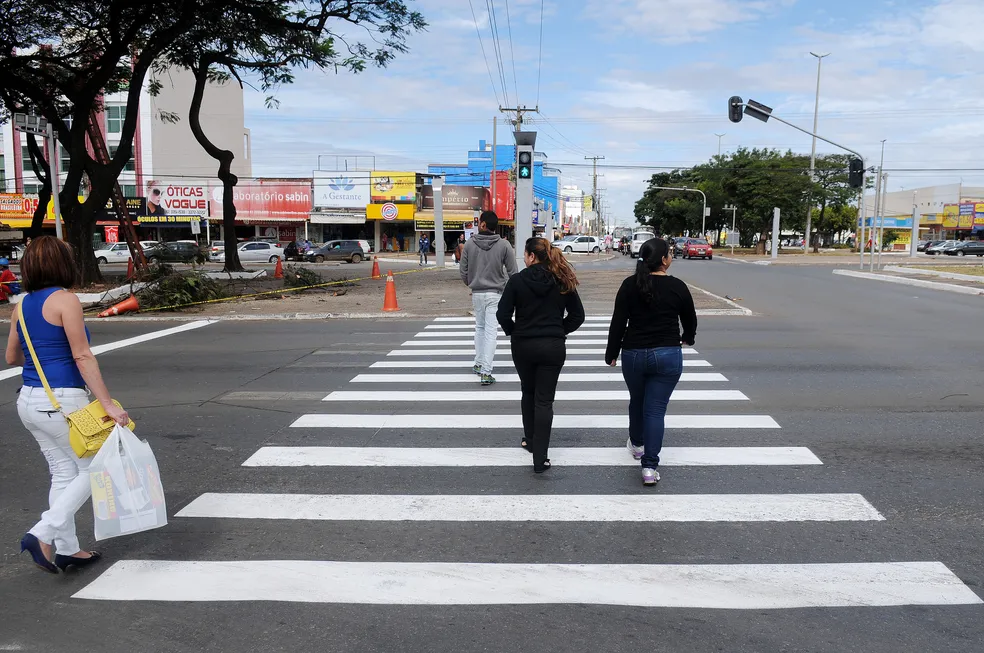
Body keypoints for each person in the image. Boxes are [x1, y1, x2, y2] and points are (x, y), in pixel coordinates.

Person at [6, 237, 130, 574]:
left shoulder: (21, 305)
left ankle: (67, 550)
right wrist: (108, 405)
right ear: (63, 264)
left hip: (29, 400)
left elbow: (12, 356)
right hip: (62, 401)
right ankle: (42, 533)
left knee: (63, 473)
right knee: (96, 469)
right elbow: (82, 355)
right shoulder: (65, 300)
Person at [605, 238, 697, 486]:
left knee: (637, 400)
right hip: (667, 353)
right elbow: (690, 320)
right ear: (664, 259)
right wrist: (687, 338)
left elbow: (618, 322)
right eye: (670, 253)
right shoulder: (677, 286)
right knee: (655, 409)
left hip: (634, 353)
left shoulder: (629, 285)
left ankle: (636, 445)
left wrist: (611, 353)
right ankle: (649, 467)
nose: (672, 256)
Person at [497, 238, 584, 472]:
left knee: (528, 391)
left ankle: (530, 440)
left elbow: (502, 314)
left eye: (524, 254)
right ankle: (541, 458)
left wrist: (514, 331)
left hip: (523, 345)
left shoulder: (517, 281)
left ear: (531, 257)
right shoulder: (562, 279)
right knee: (544, 400)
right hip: (552, 346)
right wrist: (557, 330)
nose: (524, 258)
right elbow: (578, 316)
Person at [459, 211, 517, 385]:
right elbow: (513, 273)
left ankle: (478, 364)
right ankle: (486, 371)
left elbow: (463, 271)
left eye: (479, 222)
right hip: (496, 294)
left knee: (480, 328)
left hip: (477, 293)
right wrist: (507, 289)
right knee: (491, 331)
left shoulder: (469, 244)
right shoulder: (504, 245)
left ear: (483, 224)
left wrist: (472, 282)